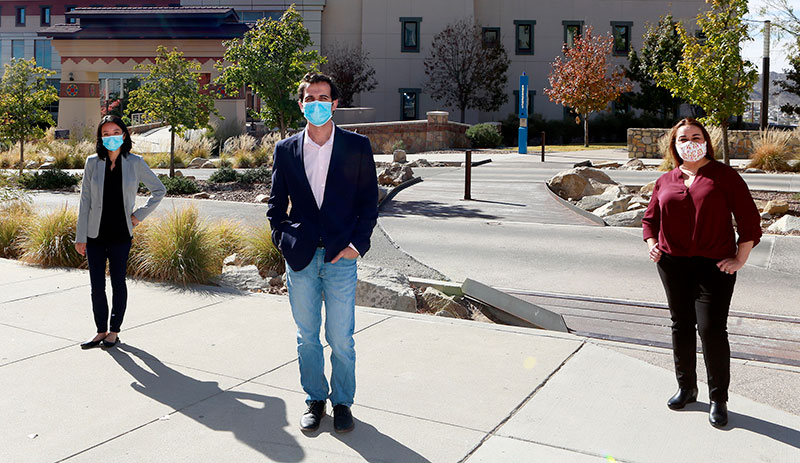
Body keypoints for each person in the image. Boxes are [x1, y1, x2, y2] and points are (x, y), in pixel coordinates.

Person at [268, 72, 378, 434]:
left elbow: (368, 205)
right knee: (307, 336)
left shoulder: (357, 147)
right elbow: (275, 207)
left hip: (340, 258)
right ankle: (315, 398)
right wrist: (283, 241)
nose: (316, 104)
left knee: (341, 337)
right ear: (301, 105)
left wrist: (355, 246)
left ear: (334, 104)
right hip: (300, 259)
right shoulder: (286, 150)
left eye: (323, 98)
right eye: (309, 98)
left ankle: (343, 401)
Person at [642, 118, 762, 428]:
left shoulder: (724, 176)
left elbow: (749, 221)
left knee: (711, 330)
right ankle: (686, 388)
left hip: (714, 267)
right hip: (672, 265)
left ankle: (718, 398)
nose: (690, 141)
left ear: (706, 141)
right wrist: (653, 244)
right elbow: (649, 220)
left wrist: (740, 258)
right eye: (683, 138)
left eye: (696, 136)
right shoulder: (666, 179)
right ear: (675, 144)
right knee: (681, 326)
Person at [75, 115, 165, 350]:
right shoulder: (92, 162)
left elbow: (159, 190)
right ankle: (100, 331)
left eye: (115, 132)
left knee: (118, 283)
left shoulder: (135, 162)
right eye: (105, 134)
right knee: (96, 286)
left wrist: (139, 215)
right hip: (94, 234)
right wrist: (80, 236)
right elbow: (84, 201)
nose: (111, 137)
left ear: (124, 135)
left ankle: (114, 331)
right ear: (100, 138)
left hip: (121, 234)